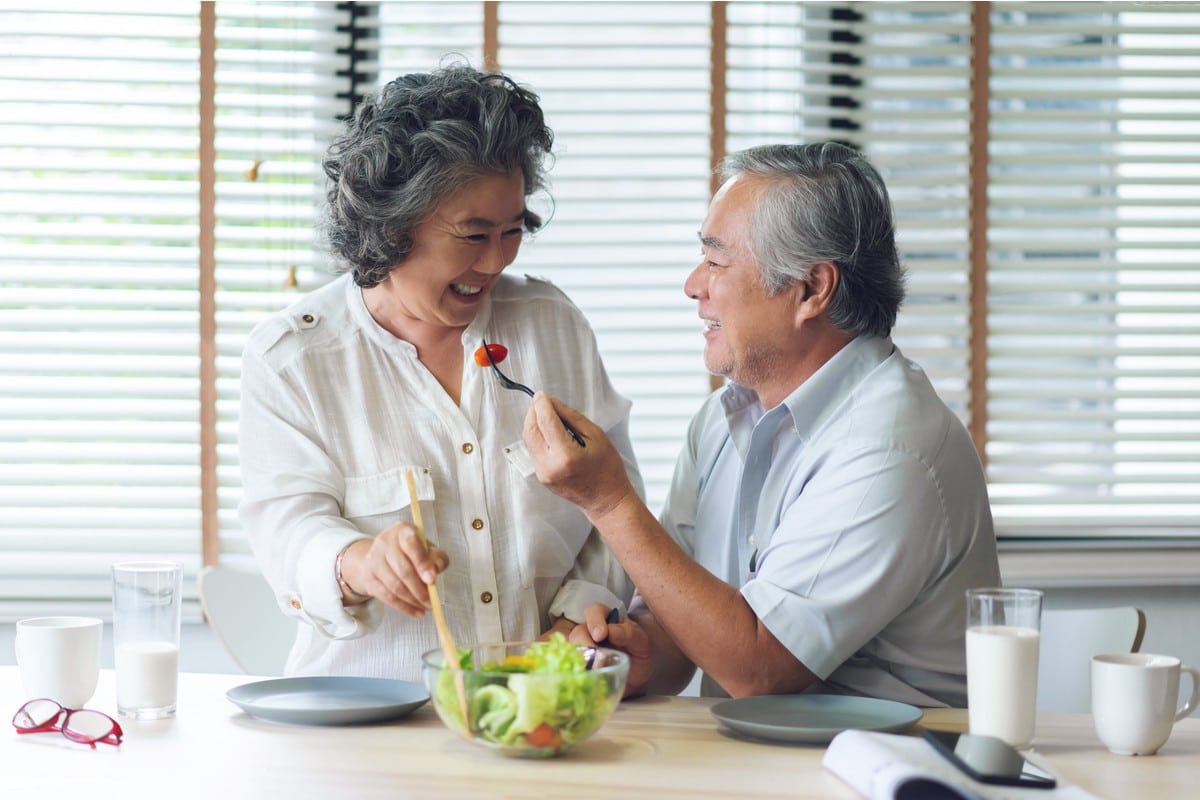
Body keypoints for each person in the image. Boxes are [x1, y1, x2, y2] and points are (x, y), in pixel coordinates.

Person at [522, 142, 1001, 706]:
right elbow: (687, 631)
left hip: (886, 770)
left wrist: (607, 502)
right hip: (756, 761)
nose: (693, 285)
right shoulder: (722, 422)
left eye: (717, 261)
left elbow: (760, 668)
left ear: (811, 289)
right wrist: (640, 654)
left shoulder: (891, 448)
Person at [238, 64, 641, 682]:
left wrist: (569, 623)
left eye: (512, 231)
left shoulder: (551, 326)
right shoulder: (293, 360)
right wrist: (359, 562)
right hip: (369, 732)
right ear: (393, 225)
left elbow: (615, 508)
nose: (496, 259)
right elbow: (288, 532)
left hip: (539, 712)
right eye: (473, 234)